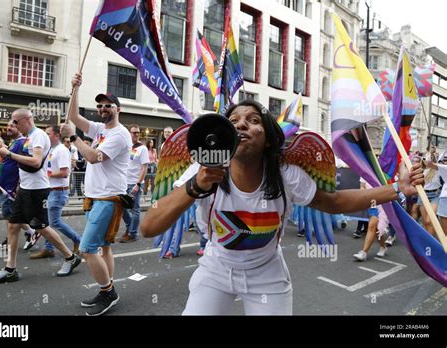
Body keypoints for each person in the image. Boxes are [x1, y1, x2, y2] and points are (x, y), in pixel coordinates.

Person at [140, 100, 424, 315]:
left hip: (268, 276)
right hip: (215, 271)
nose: (241, 125)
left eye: (253, 120)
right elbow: (149, 225)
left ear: (267, 138)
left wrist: (398, 189)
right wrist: (196, 187)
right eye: (233, 121)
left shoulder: (286, 173)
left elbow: (335, 202)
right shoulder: (202, 170)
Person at [0, 109, 82, 285]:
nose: (13, 125)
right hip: (25, 189)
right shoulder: (29, 137)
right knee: (13, 226)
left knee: (41, 227)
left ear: (27, 119)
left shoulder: (38, 136)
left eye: (16, 122)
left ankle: (70, 257)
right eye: (12, 122)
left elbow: (36, 162)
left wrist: (9, 154)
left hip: (37, 190)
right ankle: (10, 269)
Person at [61, 73, 132, 316]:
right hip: (97, 197)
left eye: (107, 105)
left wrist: (72, 138)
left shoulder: (120, 134)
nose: (102, 109)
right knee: (104, 248)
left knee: (87, 248)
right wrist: (75, 88)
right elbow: (73, 117)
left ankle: (108, 291)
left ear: (118, 109)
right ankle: (106, 290)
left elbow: (92, 157)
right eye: (99, 105)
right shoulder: (100, 129)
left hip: (108, 199)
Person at [29, 126, 82, 259]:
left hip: (58, 192)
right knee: (47, 222)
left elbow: (64, 173)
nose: (44, 136)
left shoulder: (62, 150)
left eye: (48, 134)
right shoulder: (51, 150)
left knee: (55, 222)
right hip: (50, 191)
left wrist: (46, 175)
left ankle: (78, 240)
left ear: (57, 135)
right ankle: (49, 248)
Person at [0, 120, 38, 251]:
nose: (8, 128)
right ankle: (13, 240)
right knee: (8, 214)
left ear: (20, 127)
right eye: (8, 126)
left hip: (11, 187)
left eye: (12, 126)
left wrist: (19, 183)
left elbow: (23, 164)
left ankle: (32, 231)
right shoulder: (14, 142)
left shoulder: (22, 142)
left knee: (13, 215)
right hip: (5, 186)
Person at [119, 124, 149, 243]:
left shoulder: (142, 148)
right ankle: (130, 227)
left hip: (134, 183)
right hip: (122, 183)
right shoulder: (126, 146)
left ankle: (132, 233)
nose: (136, 134)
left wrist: (138, 183)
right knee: (120, 207)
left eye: (137, 132)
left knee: (135, 209)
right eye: (133, 132)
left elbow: (144, 168)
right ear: (129, 133)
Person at [353, 179, 389, 261]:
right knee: (374, 226)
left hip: (384, 201)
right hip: (372, 202)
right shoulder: (365, 172)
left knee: (377, 227)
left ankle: (364, 252)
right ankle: (380, 248)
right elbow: (362, 186)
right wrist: (363, 194)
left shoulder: (381, 170)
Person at [418, 153, 441, 236]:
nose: (427, 160)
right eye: (425, 158)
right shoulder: (420, 170)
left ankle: (432, 245)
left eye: (430, 158)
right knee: (425, 223)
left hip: (435, 195)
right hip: (423, 195)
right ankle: (428, 242)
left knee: (429, 220)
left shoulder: (437, 169)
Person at [425, 159, 447, 237]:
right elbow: (430, 164)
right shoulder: (445, 168)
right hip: (445, 200)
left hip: (436, 195)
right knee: (445, 232)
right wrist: (428, 158)